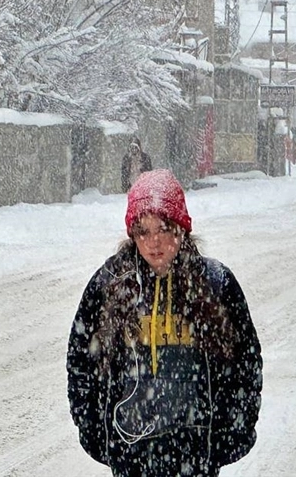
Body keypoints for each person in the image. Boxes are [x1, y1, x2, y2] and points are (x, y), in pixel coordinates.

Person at [67, 169, 262, 477]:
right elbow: (81, 359)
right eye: (142, 231)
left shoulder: (215, 284)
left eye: (163, 228)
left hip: (195, 453)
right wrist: (95, 431)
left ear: (181, 228)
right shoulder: (110, 285)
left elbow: (245, 362)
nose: (153, 242)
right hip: (132, 453)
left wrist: (234, 429)